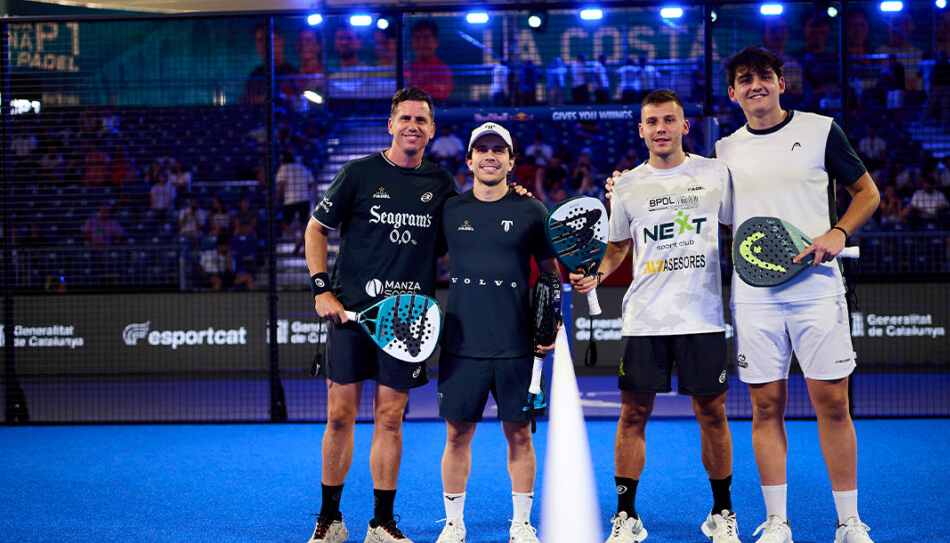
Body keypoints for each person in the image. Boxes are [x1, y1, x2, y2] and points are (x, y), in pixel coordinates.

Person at [717, 46, 879, 543]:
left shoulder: (821, 130)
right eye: (745, 79)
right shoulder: (723, 151)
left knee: (833, 403)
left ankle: (848, 522)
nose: (756, 85)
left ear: (781, 83)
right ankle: (777, 522)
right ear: (733, 93)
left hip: (816, 289)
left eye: (764, 75)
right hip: (754, 296)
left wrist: (839, 232)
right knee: (766, 406)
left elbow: (868, 193)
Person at [572, 89, 741, 543]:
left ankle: (722, 512)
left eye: (669, 120)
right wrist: (597, 274)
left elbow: (738, 224)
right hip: (645, 318)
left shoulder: (714, 173)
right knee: (632, 415)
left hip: (703, 316)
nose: (661, 128)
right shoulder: (627, 185)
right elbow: (618, 245)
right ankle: (626, 515)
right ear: (641, 130)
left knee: (713, 414)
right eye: (652, 121)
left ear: (685, 126)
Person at [304, 87, 458, 543]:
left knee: (390, 418)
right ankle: (330, 520)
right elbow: (316, 229)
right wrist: (321, 289)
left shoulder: (441, 184)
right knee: (339, 415)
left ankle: (381, 523)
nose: (413, 126)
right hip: (350, 319)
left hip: (407, 321)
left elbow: (468, 231)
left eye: (421, 120)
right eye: (405, 118)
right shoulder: (357, 173)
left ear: (432, 130)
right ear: (390, 125)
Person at [433, 122, 560, 543]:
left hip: (517, 345)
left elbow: (550, 273)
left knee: (519, 434)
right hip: (461, 346)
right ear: (469, 161)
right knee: (457, 435)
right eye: (482, 149)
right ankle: (454, 524)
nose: (490, 156)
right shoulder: (449, 209)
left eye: (498, 150)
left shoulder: (532, 210)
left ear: (511, 160)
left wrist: (552, 319)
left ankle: (521, 524)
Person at [277, 152, 316, 255]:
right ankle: (306, 248)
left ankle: (297, 240)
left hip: (290, 200)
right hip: (304, 199)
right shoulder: (302, 167)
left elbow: (281, 186)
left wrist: (276, 199)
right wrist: (315, 199)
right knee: (303, 225)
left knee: (285, 223)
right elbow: (313, 183)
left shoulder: (283, 168)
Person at [408, 20, 453, 101]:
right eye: (418, 38)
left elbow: (442, 95)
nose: (421, 43)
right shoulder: (408, 69)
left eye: (426, 38)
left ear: (436, 42)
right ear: (413, 42)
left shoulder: (443, 69)